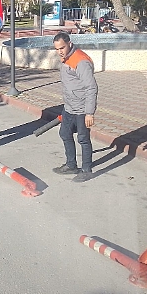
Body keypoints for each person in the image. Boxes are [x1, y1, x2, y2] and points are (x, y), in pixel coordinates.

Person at [52, 32, 98, 182]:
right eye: (57, 49)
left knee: (83, 139)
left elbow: (91, 88)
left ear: (69, 44)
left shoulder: (81, 61)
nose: (60, 51)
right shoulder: (66, 58)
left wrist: (89, 113)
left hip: (82, 109)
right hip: (69, 106)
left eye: (62, 48)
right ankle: (71, 165)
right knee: (65, 133)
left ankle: (86, 169)